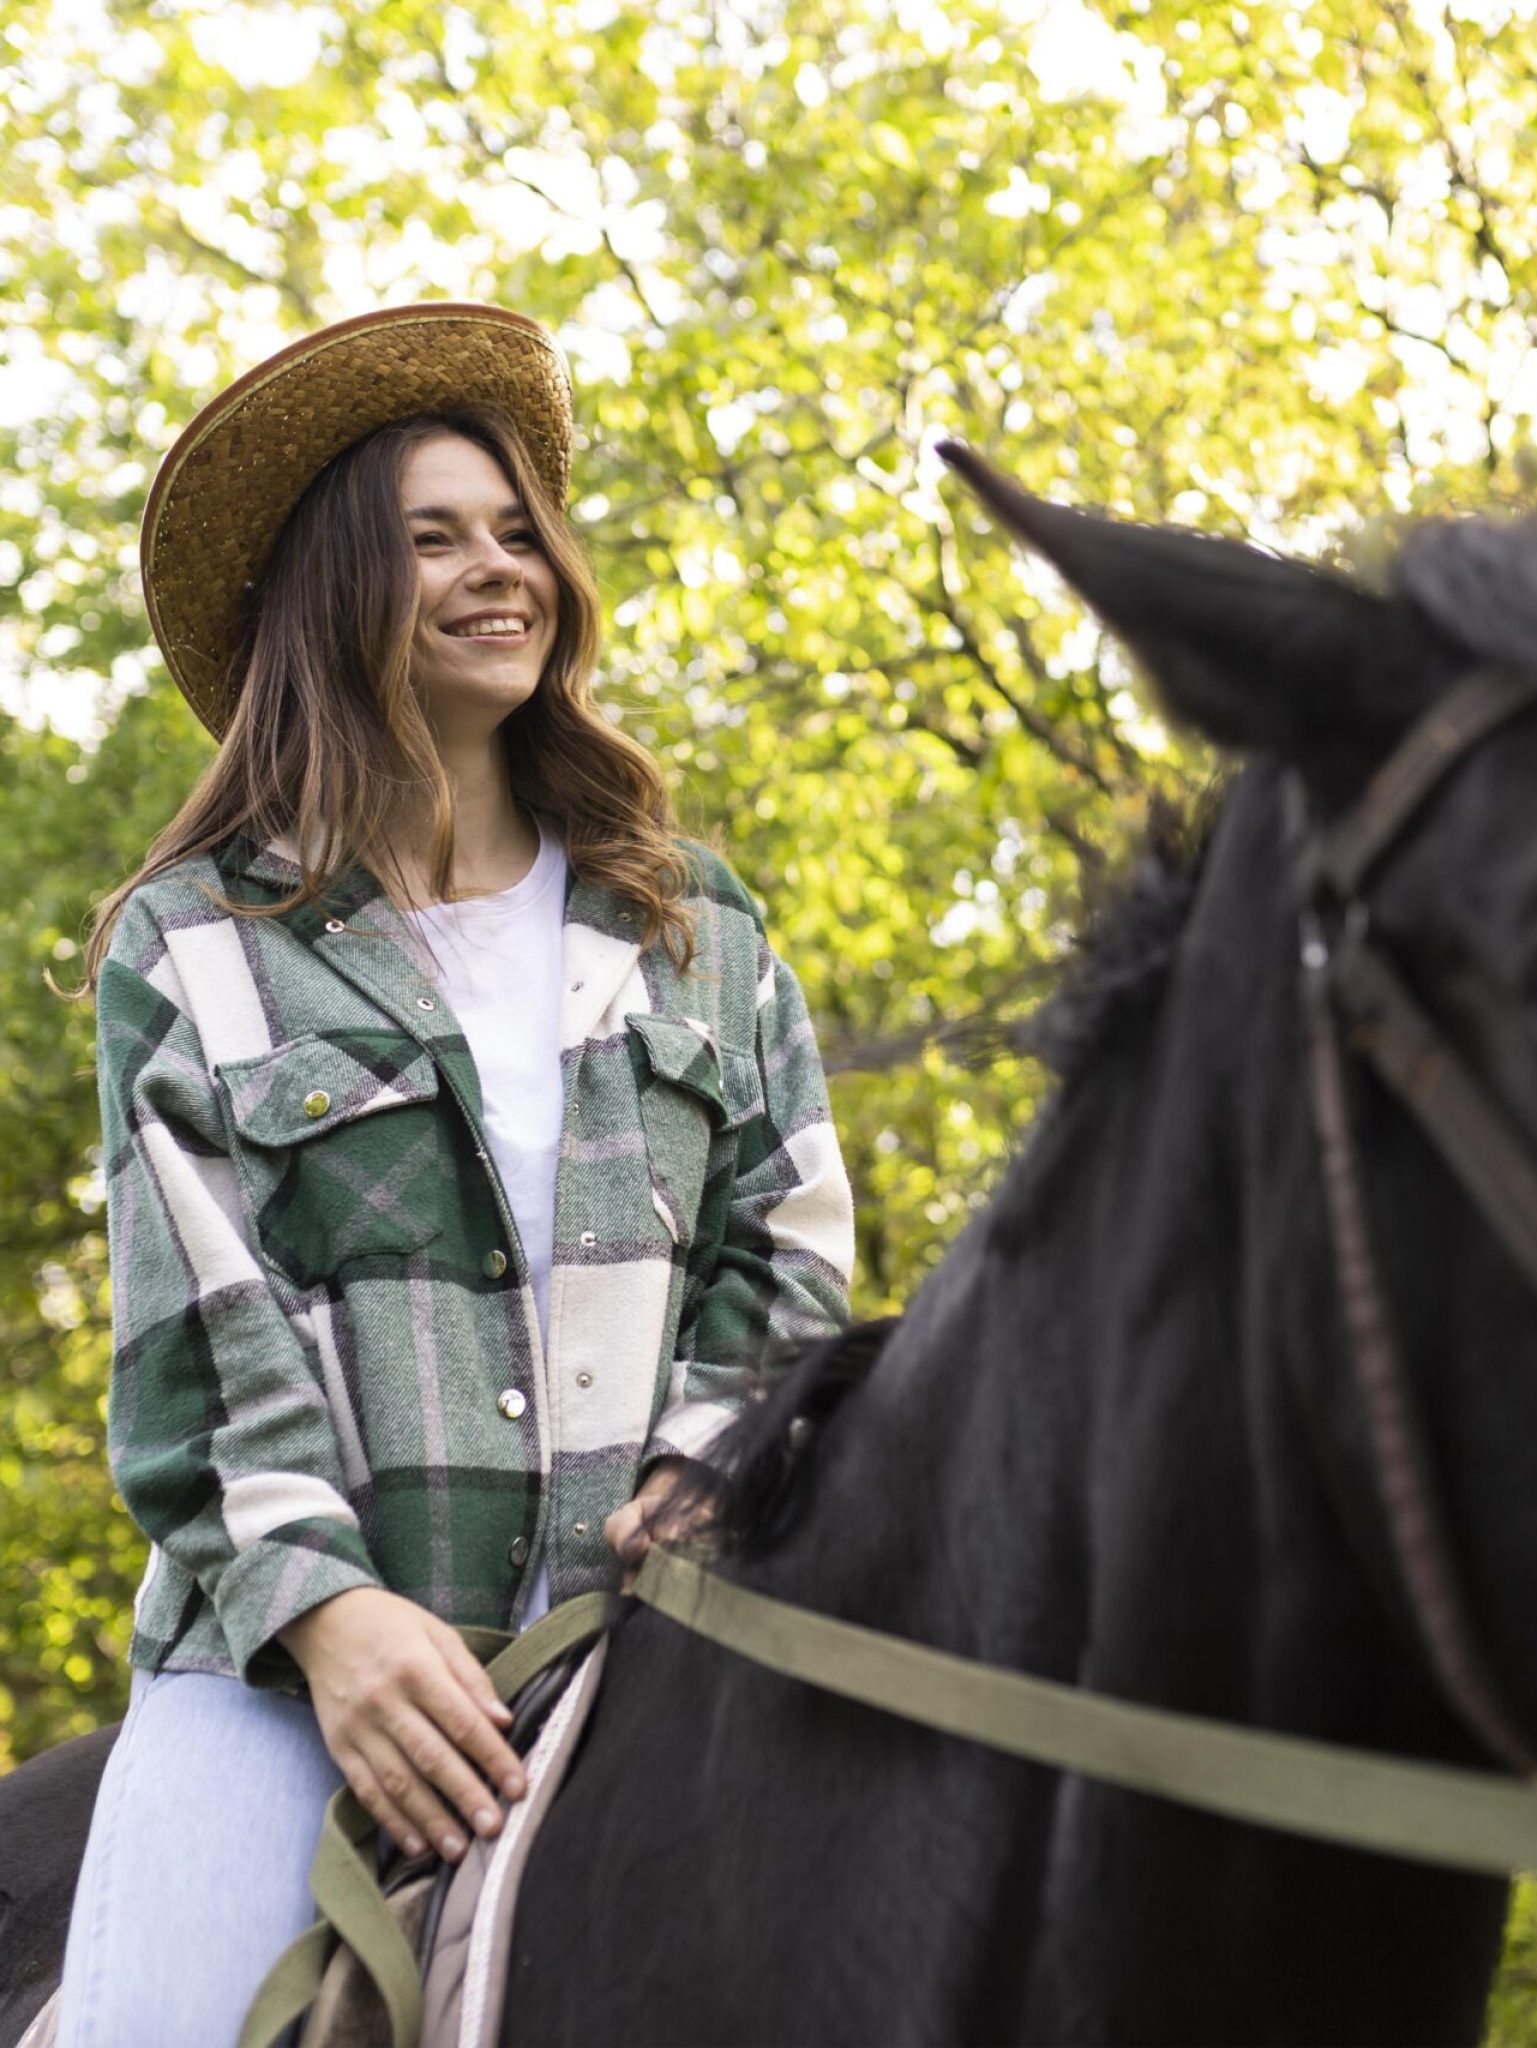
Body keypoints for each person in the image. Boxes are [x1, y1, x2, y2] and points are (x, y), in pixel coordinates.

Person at [57, 303, 855, 2045]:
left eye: (517, 534)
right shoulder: (192, 949)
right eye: (434, 540)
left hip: (642, 1653)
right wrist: (333, 1620)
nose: (504, 571)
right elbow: (201, 1342)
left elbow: (785, 1245)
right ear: (331, 594)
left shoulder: (690, 923)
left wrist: (707, 1469)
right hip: (282, 1683)